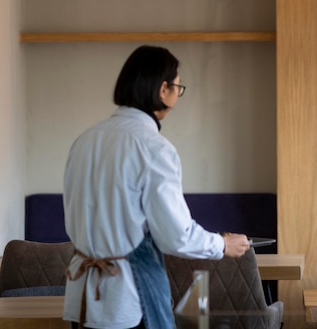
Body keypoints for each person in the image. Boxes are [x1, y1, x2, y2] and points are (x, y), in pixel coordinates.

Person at [62, 45, 250, 329]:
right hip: (127, 298)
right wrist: (221, 244)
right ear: (163, 90)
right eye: (178, 86)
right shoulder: (154, 148)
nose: (177, 94)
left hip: (82, 300)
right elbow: (175, 234)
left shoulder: (84, 141)